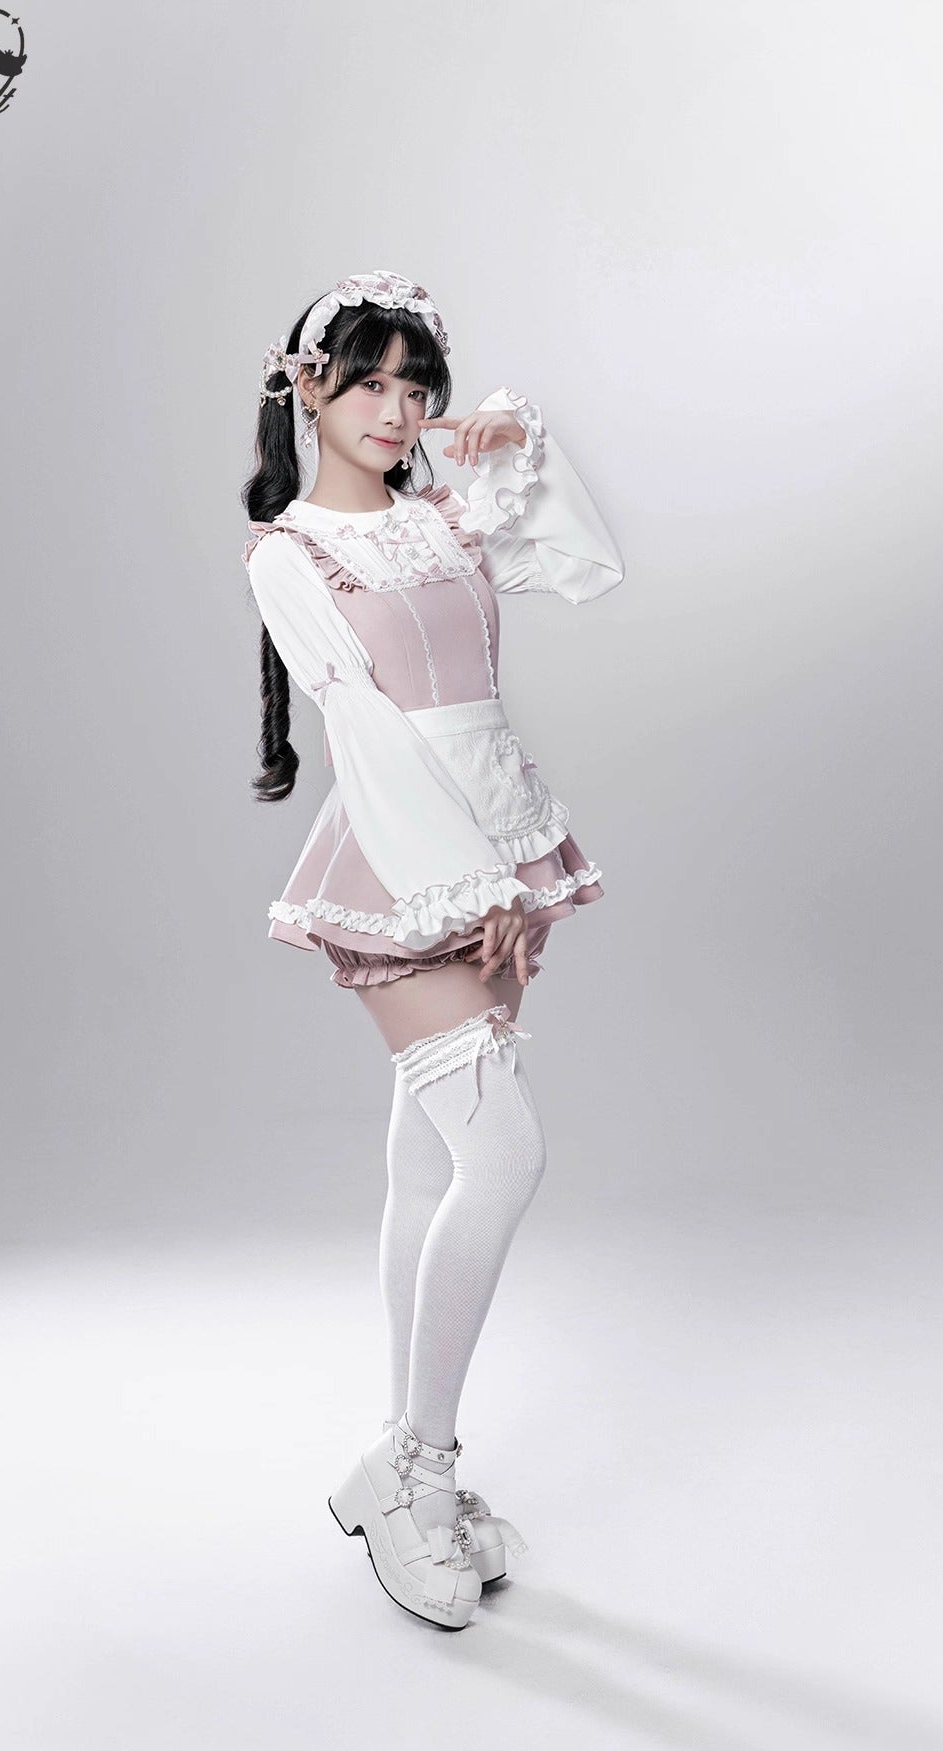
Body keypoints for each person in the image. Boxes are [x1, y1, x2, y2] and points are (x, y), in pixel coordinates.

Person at [240, 269, 624, 1629]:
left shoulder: (441, 520)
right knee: (501, 1153)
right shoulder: (292, 555)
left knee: (427, 1157)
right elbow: (368, 732)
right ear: (308, 388)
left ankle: (397, 1466)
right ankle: (419, 1466)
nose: (397, 410)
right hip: (414, 863)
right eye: (370, 382)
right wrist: (473, 886)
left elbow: (576, 554)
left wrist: (499, 443)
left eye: (418, 387)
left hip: (498, 836)